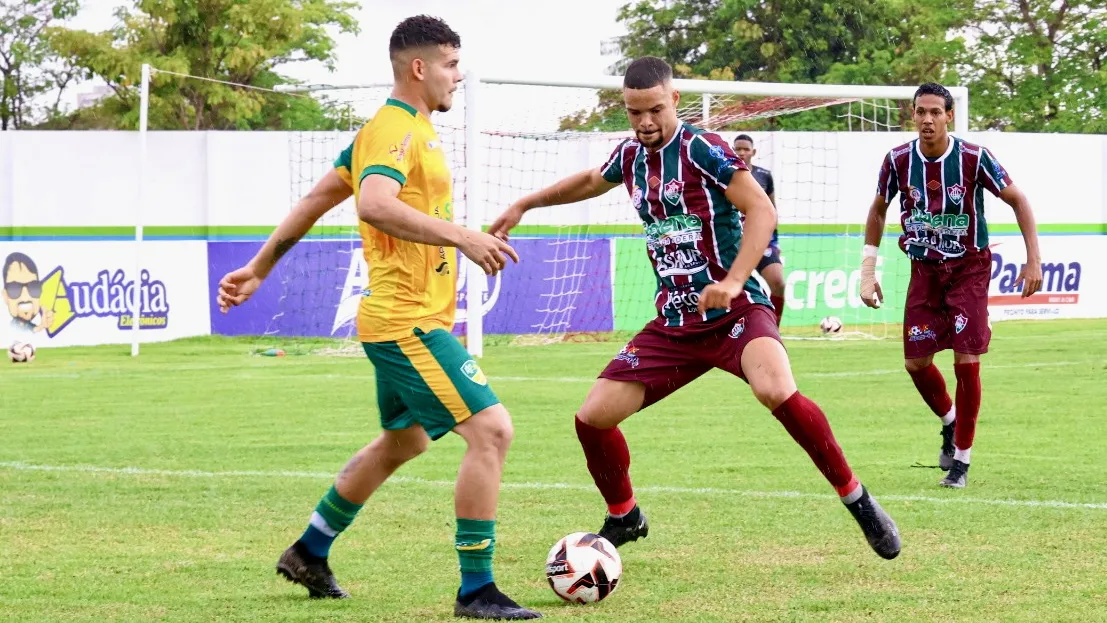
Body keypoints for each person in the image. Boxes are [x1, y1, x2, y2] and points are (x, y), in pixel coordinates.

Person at [489, 56, 901, 561]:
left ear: (674, 101)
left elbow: (761, 210)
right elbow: (590, 181)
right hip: (676, 321)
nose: (644, 122)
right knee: (592, 418)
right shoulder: (632, 155)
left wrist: (730, 281)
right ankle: (625, 514)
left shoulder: (702, 148)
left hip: (736, 310)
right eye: (634, 112)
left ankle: (858, 502)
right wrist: (524, 204)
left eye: (654, 110)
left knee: (774, 388)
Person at [216, 15, 541, 620]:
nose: (458, 75)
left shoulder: (397, 129)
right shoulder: (394, 129)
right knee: (492, 431)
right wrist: (462, 237)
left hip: (409, 318)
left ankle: (309, 551)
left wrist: (260, 266)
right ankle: (477, 590)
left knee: (403, 440)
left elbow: (319, 197)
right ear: (418, 68)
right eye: (450, 63)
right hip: (405, 321)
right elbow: (373, 204)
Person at [859, 82, 1043, 489]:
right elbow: (878, 210)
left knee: (966, 360)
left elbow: (1018, 200)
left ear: (949, 116)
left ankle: (961, 461)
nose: (927, 119)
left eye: (935, 113)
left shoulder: (974, 158)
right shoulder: (897, 161)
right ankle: (950, 420)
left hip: (968, 270)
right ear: (913, 115)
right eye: (920, 112)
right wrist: (867, 269)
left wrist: (1034, 259)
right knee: (916, 363)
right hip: (924, 271)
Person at [732, 134, 785, 326]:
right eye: (738, 149)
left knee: (778, 282)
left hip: (761, 241)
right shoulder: (726, 174)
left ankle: (773, 329)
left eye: (746, 149)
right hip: (733, 242)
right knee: (734, 289)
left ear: (753, 152)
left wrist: (775, 241)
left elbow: (771, 210)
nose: (742, 153)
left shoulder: (764, 175)